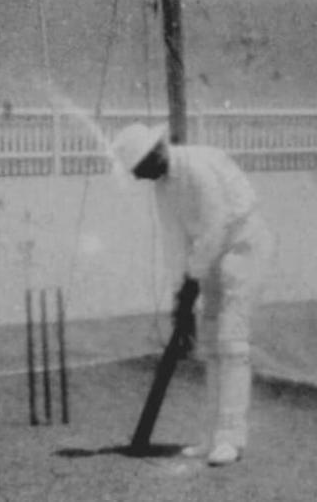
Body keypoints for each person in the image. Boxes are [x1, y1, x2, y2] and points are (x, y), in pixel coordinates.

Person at [112, 123, 272, 466]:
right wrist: (179, 299)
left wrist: (191, 286)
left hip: (242, 247)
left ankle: (232, 438)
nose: (139, 178)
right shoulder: (163, 186)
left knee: (231, 343)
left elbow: (216, 227)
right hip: (212, 255)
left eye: (139, 169)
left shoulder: (199, 166)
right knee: (211, 346)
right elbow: (175, 243)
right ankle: (211, 436)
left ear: (155, 153)